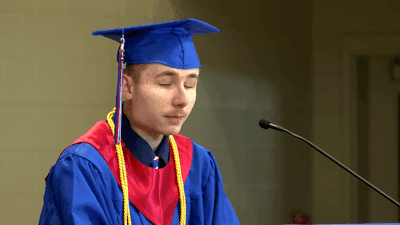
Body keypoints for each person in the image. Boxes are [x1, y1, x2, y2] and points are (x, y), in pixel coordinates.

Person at [39, 18, 240, 225]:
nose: (182, 100)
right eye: (165, 83)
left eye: (190, 85)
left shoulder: (199, 163)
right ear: (126, 87)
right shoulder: (85, 167)